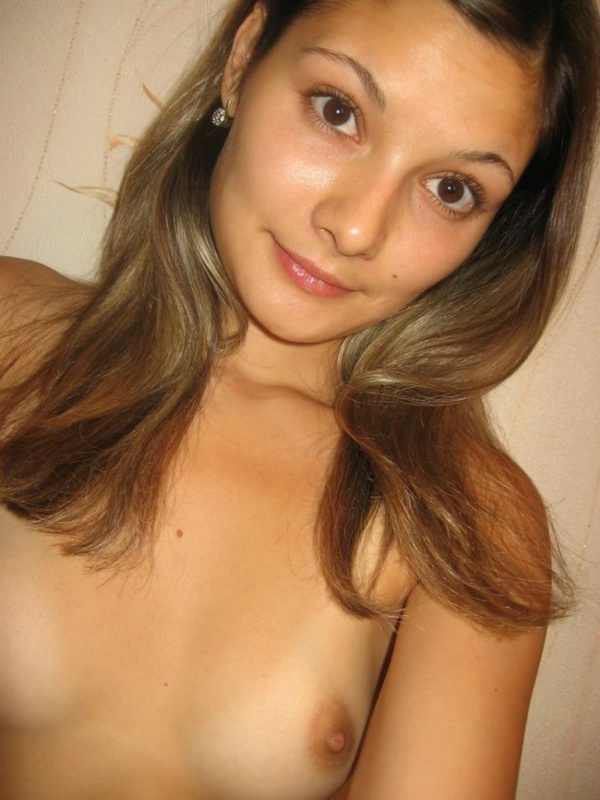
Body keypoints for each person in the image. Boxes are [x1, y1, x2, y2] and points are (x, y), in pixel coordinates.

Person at [0, 0, 598, 797]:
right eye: (338, 111)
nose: (357, 228)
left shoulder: (467, 520)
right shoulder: (11, 335)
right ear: (244, 58)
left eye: (452, 188)